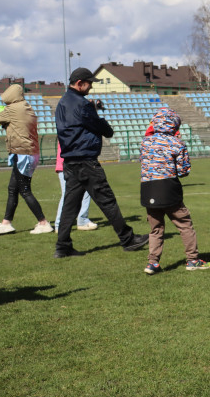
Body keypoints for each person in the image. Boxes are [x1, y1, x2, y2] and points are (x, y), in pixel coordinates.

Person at [53, 67, 147, 258]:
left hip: (70, 161)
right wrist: (103, 122)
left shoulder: (62, 102)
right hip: (86, 160)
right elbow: (103, 128)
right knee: (106, 200)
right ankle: (128, 239)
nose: (91, 87)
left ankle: (62, 247)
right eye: (89, 84)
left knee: (70, 206)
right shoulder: (82, 104)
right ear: (80, 83)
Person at [0, 84, 53, 236]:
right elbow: (15, 126)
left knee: (25, 190)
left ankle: (43, 222)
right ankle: (6, 223)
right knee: (13, 189)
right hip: (28, 152)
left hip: (23, 153)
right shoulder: (26, 108)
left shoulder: (13, 109)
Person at [140, 108, 208, 274]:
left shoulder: (145, 142)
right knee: (185, 225)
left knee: (155, 229)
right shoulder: (177, 144)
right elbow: (183, 171)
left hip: (148, 190)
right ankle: (193, 260)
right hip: (168, 189)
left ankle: (153, 263)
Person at [54, 142, 96, 233]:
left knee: (85, 191)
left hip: (73, 164)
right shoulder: (69, 129)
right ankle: (60, 224)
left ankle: (82, 220)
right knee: (67, 195)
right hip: (68, 164)